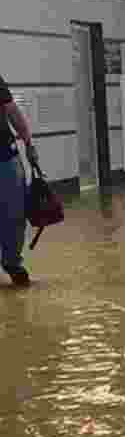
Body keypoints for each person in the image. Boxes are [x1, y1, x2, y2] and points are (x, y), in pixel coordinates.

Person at [0, 73, 37, 287]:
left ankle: (12, 262)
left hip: (5, 156)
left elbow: (12, 111)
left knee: (15, 214)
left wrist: (29, 144)